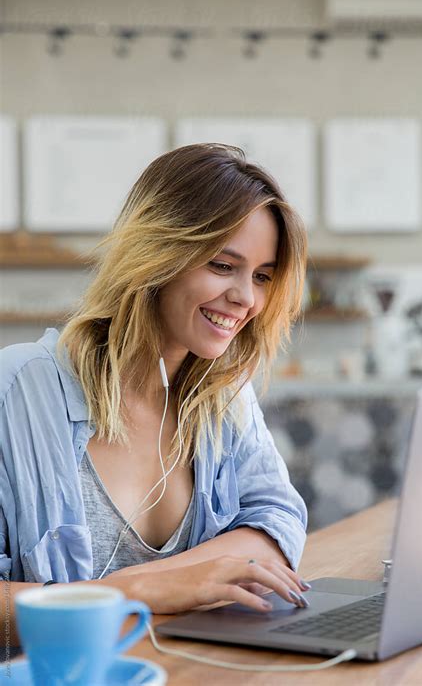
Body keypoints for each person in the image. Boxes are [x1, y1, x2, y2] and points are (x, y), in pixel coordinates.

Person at [0, 143, 310, 654]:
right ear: (158, 253)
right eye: (221, 264)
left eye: (261, 276)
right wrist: (139, 590)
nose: (245, 299)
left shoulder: (222, 395)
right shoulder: (19, 388)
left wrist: (174, 579)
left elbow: (275, 518)